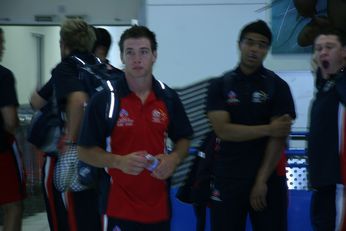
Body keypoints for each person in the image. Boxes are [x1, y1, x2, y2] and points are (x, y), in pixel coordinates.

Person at [77, 25, 193, 231]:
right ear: (122, 56)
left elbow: (184, 138)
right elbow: (84, 151)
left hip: (159, 208)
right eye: (130, 52)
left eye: (144, 52)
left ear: (154, 55)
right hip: (117, 207)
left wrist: (173, 159)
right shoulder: (105, 99)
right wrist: (118, 161)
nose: (136, 58)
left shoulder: (168, 97)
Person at [206, 20, 296, 231]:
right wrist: (268, 128)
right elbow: (223, 130)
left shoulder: (278, 87)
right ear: (240, 44)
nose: (254, 49)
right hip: (227, 180)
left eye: (261, 45)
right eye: (250, 42)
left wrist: (261, 181)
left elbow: (279, 136)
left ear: (267, 50)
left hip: (268, 182)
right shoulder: (219, 85)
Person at [29, 18, 101, 231]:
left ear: (63, 43)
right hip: (97, 156)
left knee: (65, 215)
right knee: (90, 216)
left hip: (68, 156)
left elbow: (75, 100)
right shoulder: (99, 67)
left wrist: (70, 142)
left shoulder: (66, 68)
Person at [307, 28, 346, 231]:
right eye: (318, 48)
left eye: (329, 47)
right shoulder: (326, 85)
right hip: (321, 180)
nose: (322, 52)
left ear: (344, 52)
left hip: (338, 181)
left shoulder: (341, 82)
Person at [0, 27, 26, 231]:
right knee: (13, 205)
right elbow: (10, 120)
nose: (3, 48)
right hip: (1, 150)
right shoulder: (3, 76)